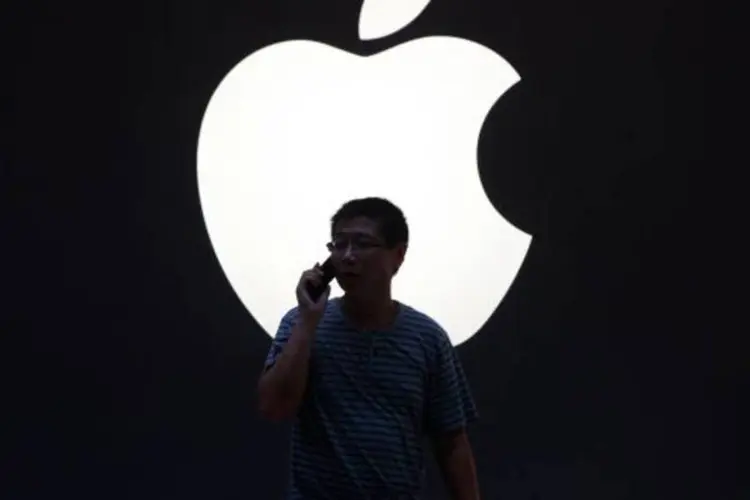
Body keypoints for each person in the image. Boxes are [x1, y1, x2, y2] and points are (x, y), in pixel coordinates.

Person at [257, 197, 480, 500]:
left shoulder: (427, 338)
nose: (348, 256)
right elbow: (274, 407)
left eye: (362, 244)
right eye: (338, 244)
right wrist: (308, 324)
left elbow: (452, 441)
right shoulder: (300, 322)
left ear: (398, 255)